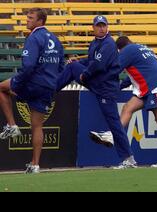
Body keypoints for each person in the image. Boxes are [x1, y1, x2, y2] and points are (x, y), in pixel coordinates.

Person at [56, 16, 136, 169]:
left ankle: (129, 158)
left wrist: (83, 74)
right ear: (93, 27)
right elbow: (91, 60)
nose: (101, 28)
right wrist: (79, 63)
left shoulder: (108, 43)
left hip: (105, 86)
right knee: (73, 66)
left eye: (103, 25)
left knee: (114, 124)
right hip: (99, 84)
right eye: (98, 26)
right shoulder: (95, 43)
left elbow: (98, 66)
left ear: (107, 27)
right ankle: (128, 158)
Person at [91, 36, 157, 168]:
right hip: (147, 88)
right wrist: (118, 87)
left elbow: (115, 68)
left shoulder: (127, 50)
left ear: (119, 49)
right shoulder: (144, 48)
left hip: (154, 87)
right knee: (127, 108)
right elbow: (135, 74)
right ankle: (113, 135)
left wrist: (101, 82)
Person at [0, 8, 65, 174]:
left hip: (33, 83)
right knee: (37, 126)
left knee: (1, 88)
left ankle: (12, 125)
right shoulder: (56, 40)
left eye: (30, 18)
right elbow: (60, 67)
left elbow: (28, 66)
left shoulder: (34, 37)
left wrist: (19, 85)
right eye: (27, 17)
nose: (26, 20)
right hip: (48, 86)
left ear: (40, 21)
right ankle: (35, 165)